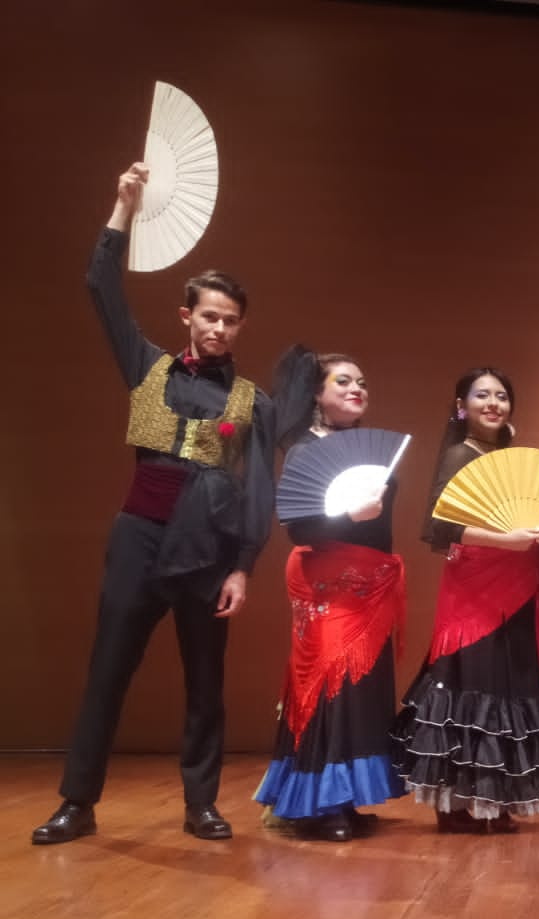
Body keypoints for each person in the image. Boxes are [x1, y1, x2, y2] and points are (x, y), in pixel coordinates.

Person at [34, 163, 276, 845]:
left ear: (240, 324)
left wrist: (242, 568)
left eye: (231, 320)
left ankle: (201, 804)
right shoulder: (147, 367)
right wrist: (122, 207)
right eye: (209, 316)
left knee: (205, 681)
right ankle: (77, 803)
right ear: (187, 316)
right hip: (139, 536)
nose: (220, 329)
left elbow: (255, 491)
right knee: (108, 671)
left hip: (207, 551)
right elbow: (99, 286)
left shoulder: (250, 400)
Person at [390, 368, 539, 831]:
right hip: (475, 589)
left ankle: (495, 797)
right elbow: (441, 526)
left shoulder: (509, 458)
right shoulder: (458, 454)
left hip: (517, 584)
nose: (494, 403)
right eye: (482, 395)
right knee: (472, 683)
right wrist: (506, 541)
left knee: (509, 684)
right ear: (461, 406)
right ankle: (456, 807)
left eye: (502, 396)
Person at [254, 352, 407, 841]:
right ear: (317, 394)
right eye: (342, 382)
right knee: (329, 685)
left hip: (372, 583)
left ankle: (342, 797)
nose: (356, 388)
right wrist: (348, 518)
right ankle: (315, 805)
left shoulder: (370, 448)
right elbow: (297, 525)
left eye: (362, 381)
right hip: (325, 581)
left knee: (363, 689)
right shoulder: (304, 448)